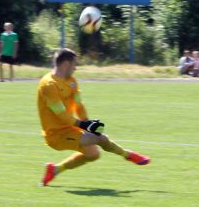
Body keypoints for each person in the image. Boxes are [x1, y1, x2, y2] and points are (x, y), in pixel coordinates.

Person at [37, 48, 150, 186]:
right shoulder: (48, 85)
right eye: (74, 64)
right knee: (100, 138)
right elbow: (61, 115)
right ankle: (128, 155)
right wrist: (84, 126)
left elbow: (79, 105)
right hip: (55, 135)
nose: (76, 68)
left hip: (70, 128)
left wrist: (87, 123)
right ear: (65, 64)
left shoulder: (72, 81)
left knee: (93, 154)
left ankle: (54, 170)